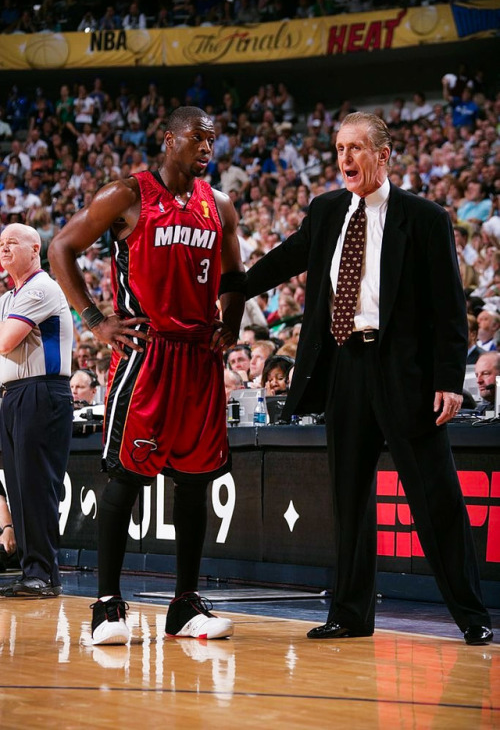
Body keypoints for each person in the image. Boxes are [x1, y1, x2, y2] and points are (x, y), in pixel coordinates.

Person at [246, 112, 493, 646]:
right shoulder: (327, 210)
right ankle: (351, 614)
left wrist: (450, 379)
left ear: (384, 154)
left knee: (436, 497)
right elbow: (286, 258)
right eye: (339, 148)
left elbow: (451, 309)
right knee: (350, 498)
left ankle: (472, 614)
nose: (345, 159)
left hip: (404, 371)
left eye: (356, 148)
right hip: (346, 368)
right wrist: (234, 287)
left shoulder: (424, 218)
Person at [48, 106, 245, 645]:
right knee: (127, 477)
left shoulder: (219, 205)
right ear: (168, 139)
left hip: (199, 358)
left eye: (213, 139)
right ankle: (107, 607)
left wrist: (232, 321)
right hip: (148, 352)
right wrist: (95, 321)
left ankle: (184, 606)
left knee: (195, 481)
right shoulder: (127, 195)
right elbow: (60, 247)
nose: (207, 147)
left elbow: (236, 275)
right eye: (197, 138)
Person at [0, 223, 73, 598]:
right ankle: (33, 570)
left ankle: (43, 573)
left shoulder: (41, 287)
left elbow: (6, 340)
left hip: (42, 391)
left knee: (37, 483)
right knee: (19, 486)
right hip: (15, 393)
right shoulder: (9, 297)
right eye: (1, 243)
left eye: (12, 241)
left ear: (35, 248)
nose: (4, 247)